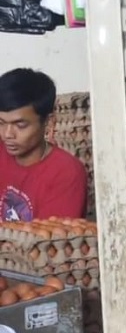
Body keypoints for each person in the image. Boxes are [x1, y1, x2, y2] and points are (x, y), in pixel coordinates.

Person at [0, 68, 87, 222]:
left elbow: (47, 243)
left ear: (48, 122)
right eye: (1, 123)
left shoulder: (66, 173)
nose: (7, 134)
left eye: (20, 125)